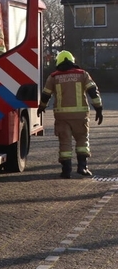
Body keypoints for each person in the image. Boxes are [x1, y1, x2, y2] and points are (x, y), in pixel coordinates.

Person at [37, 50, 103, 178]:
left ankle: (66, 170)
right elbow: (93, 91)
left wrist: (41, 107)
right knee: (82, 140)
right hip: (80, 116)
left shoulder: (54, 77)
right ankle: (82, 167)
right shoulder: (83, 74)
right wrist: (99, 108)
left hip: (62, 117)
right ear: (73, 61)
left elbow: (46, 94)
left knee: (65, 143)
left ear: (59, 62)